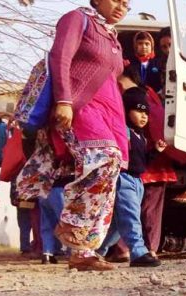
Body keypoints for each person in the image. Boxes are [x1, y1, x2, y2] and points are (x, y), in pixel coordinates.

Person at [50, 0, 130, 271]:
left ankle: (85, 251)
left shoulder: (112, 36)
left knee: (110, 170)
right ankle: (73, 231)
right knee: (103, 160)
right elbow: (59, 57)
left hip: (110, 114)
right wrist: (63, 100)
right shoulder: (77, 19)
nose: (122, 6)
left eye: (127, 3)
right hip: (82, 107)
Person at [97, 87, 165, 267]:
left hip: (137, 181)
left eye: (146, 112)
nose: (143, 116)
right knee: (131, 216)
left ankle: (97, 251)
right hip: (124, 178)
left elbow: (142, 162)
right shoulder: (123, 132)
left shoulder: (141, 137)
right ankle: (138, 252)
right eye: (138, 110)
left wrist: (155, 152)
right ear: (126, 111)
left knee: (118, 225)